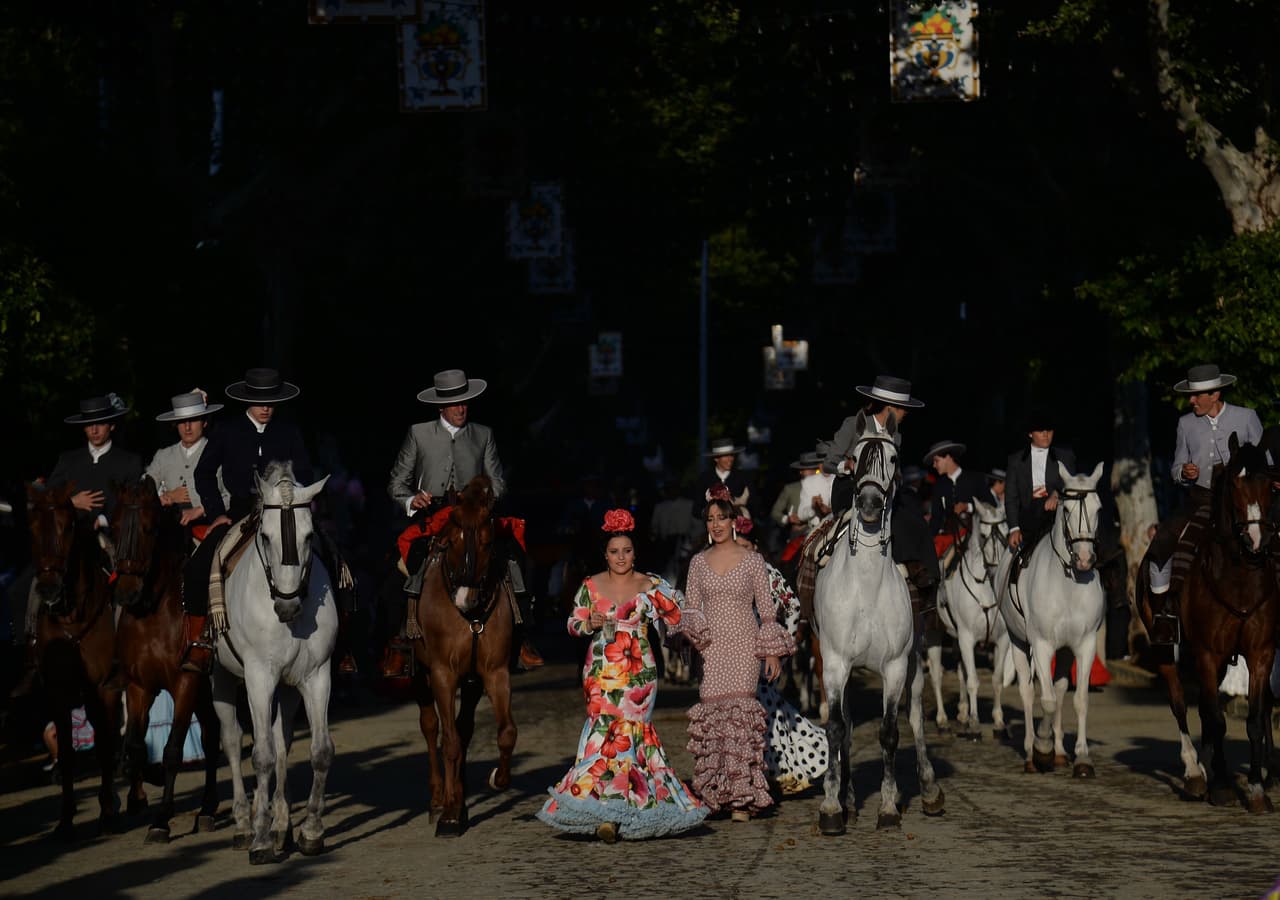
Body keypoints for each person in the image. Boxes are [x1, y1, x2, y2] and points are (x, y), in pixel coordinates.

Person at [537, 509, 707, 842]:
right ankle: (603, 811)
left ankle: (630, 808)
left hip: (639, 671)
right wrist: (590, 623)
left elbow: (682, 616)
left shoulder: (652, 584)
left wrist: (694, 640)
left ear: (635, 552)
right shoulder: (590, 585)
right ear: (606, 554)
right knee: (604, 735)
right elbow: (572, 623)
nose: (621, 557)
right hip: (601, 669)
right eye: (614, 552)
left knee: (632, 735)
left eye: (627, 551)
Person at [184, 368, 343, 674]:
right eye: (259, 400)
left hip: (286, 513)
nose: (265, 406)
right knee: (199, 562)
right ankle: (200, 639)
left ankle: (341, 642)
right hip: (239, 513)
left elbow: (307, 473)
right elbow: (203, 474)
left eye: (271, 400)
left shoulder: (289, 431)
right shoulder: (227, 431)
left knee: (334, 559)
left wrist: (295, 501)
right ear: (247, 400)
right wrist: (217, 512)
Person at [670, 497, 795, 822]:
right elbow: (692, 608)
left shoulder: (753, 559)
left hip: (744, 645)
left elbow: (767, 611)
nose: (715, 524)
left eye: (721, 518)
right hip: (710, 648)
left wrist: (770, 651)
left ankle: (742, 799)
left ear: (733, 522)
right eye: (710, 518)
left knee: (740, 720)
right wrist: (691, 642)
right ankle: (713, 794)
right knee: (713, 719)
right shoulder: (698, 562)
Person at [12, 394, 142, 699]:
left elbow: (132, 504)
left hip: (104, 538)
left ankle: (121, 656)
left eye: (99, 424)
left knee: (125, 589)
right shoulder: (68, 460)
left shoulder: (129, 461)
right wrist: (73, 502)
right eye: (89, 425)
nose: (94, 430)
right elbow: (47, 500)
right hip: (64, 543)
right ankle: (31, 661)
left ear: (110, 426)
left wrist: (104, 520)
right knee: (20, 589)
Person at [1145, 364, 1262, 636]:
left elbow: (1264, 462)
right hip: (1201, 500)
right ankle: (1165, 616)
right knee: (1161, 546)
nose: (1191, 400)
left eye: (1197, 395)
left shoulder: (1246, 418)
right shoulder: (1185, 424)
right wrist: (1185, 472)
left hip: (1243, 502)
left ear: (1216, 394)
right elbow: (1175, 468)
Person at [733, 518, 827, 794]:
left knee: (766, 707)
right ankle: (784, 767)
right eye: (737, 545)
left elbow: (793, 605)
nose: (741, 550)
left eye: (746, 546)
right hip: (737, 652)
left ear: (756, 547)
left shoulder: (767, 572)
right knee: (768, 708)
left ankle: (783, 769)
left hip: (765, 653)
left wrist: (783, 643)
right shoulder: (731, 570)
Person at [1004, 408, 1077, 569]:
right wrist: (1014, 528)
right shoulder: (1015, 460)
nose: (1046, 434)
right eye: (1040, 430)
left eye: (1049, 430)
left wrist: (1057, 494)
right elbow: (1011, 497)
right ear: (1030, 434)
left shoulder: (1065, 456)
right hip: (1029, 517)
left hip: (1057, 514)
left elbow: (1072, 484)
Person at [145, 391, 228, 527]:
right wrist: (166, 497)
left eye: (193, 420)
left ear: (204, 422)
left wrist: (202, 509)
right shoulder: (163, 455)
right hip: (169, 531)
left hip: (209, 527)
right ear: (175, 424)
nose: (187, 427)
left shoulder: (219, 453)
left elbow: (231, 495)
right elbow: (143, 491)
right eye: (182, 421)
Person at [693, 437, 751, 516]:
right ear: (716, 458)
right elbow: (696, 509)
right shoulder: (705, 478)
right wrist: (710, 514)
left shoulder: (743, 477)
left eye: (732, 455)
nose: (730, 459)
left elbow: (754, 506)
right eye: (726, 455)